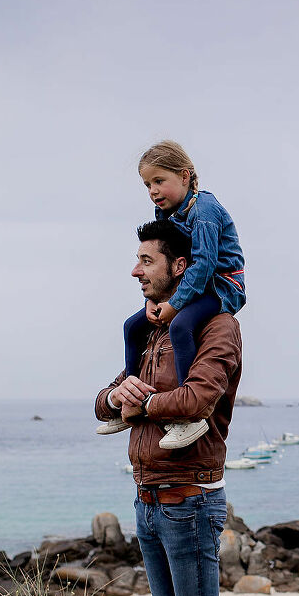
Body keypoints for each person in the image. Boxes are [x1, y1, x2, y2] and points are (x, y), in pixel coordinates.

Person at [94, 219, 243, 596]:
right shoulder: (153, 330)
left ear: (179, 265)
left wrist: (141, 404)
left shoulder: (217, 327)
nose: (135, 270)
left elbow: (199, 400)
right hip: (148, 500)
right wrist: (119, 401)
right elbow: (105, 397)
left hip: (190, 499)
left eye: (145, 260)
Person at [97, 139, 245, 450]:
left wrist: (175, 305)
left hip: (221, 285)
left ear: (186, 175)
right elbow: (167, 261)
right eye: (147, 184)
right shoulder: (165, 212)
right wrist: (153, 302)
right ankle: (131, 394)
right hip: (193, 285)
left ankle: (187, 418)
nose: (153, 190)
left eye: (159, 181)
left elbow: (202, 264)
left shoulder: (204, 211)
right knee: (132, 326)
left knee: (179, 326)